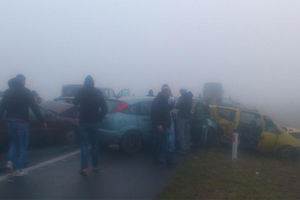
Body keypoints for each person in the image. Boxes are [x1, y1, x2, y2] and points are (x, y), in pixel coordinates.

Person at [0, 75, 46, 176]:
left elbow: (2, 106)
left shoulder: (8, 91)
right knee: (23, 145)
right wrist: (42, 120)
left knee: (14, 143)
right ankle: (19, 169)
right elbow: (34, 107)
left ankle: (10, 162)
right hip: (22, 122)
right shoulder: (26, 92)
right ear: (22, 81)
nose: (25, 82)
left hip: (10, 121)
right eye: (25, 80)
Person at [73, 75, 107, 175]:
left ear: (85, 82)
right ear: (93, 83)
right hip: (94, 122)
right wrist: (99, 118)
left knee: (84, 145)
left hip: (83, 122)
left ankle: (84, 168)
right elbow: (105, 109)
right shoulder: (98, 92)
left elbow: (74, 103)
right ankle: (95, 166)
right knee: (95, 145)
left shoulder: (81, 91)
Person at [151, 85, 173, 166]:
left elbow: (165, 110)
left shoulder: (163, 99)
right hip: (160, 125)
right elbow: (155, 113)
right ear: (165, 92)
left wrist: (171, 104)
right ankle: (169, 161)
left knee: (158, 143)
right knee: (164, 143)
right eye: (169, 91)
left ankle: (156, 159)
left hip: (162, 124)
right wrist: (159, 124)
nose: (170, 93)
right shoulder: (160, 100)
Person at [176, 88, 193, 154]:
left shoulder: (183, 97)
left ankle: (183, 149)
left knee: (181, 133)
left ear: (183, 91)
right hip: (188, 117)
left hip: (182, 117)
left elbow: (178, 106)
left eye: (180, 91)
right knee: (187, 133)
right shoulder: (190, 97)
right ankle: (187, 147)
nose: (180, 92)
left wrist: (175, 104)